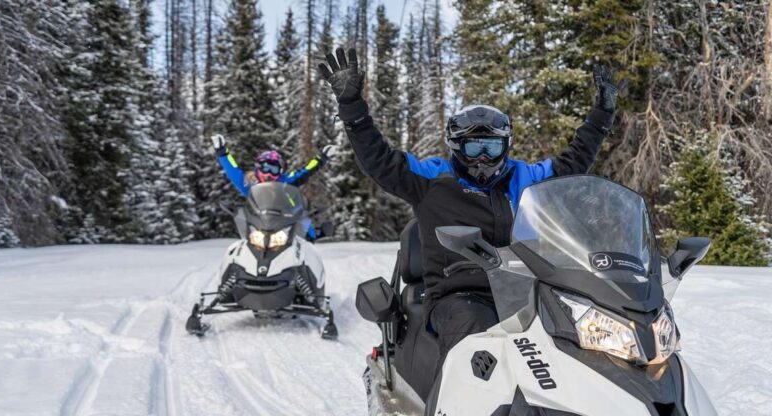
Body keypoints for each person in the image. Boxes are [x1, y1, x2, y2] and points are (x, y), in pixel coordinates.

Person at [318, 47, 625, 377]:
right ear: (455, 147)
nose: (481, 157)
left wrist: (602, 115)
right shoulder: (432, 179)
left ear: (505, 147)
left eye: (490, 147)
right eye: (472, 146)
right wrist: (353, 109)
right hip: (459, 296)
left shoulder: (526, 178)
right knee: (480, 341)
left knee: (585, 338)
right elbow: (379, 160)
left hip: (527, 293)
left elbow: (573, 161)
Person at [211, 134, 334, 239]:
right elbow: (233, 170)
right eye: (266, 168)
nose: (269, 174)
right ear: (258, 168)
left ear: (280, 171)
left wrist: (321, 159)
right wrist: (222, 152)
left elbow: (305, 171)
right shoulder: (249, 183)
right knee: (239, 250)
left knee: (304, 222)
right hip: (257, 227)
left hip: (286, 224)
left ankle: (310, 238)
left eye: (274, 169)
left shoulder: (285, 181)